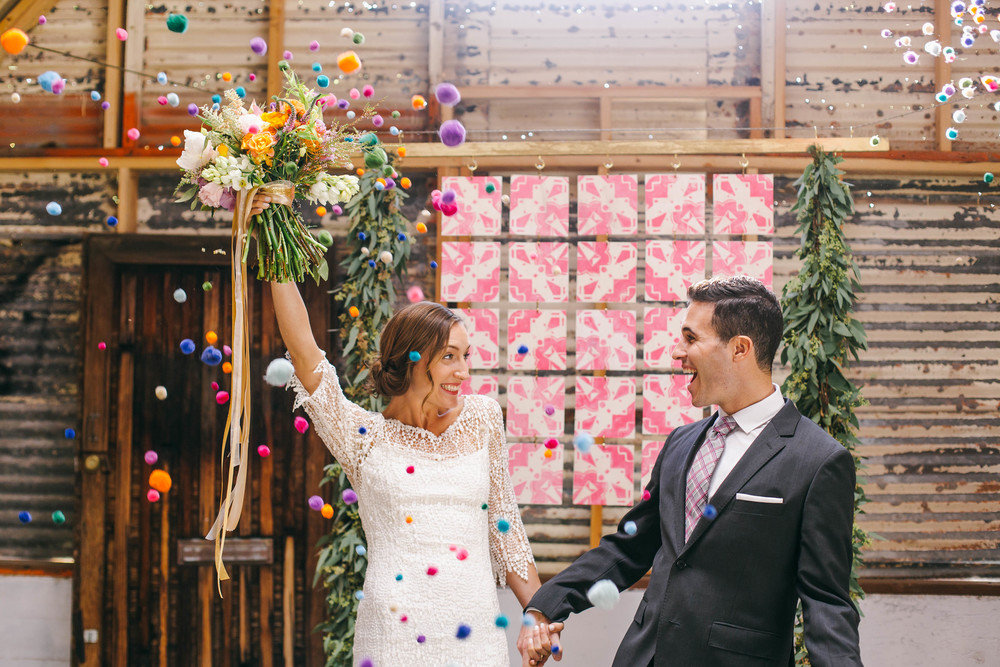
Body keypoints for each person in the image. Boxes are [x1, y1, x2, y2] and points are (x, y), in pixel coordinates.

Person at [253, 194, 562, 667]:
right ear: (412, 359)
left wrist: (538, 613)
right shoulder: (363, 437)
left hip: (475, 634)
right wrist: (273, 239)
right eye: (449, 357)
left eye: (466, 356)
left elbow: (505, 528)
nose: (463, 371)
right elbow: (305, 354)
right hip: (392, 637)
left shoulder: (482, 418)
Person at [522, 275, 862, 667]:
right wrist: (546, 605)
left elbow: (826, 602)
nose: (676, 352)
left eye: (691, 338)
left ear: (740, 349)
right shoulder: (681, 443)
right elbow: (631, 547)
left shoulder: (819, 460)